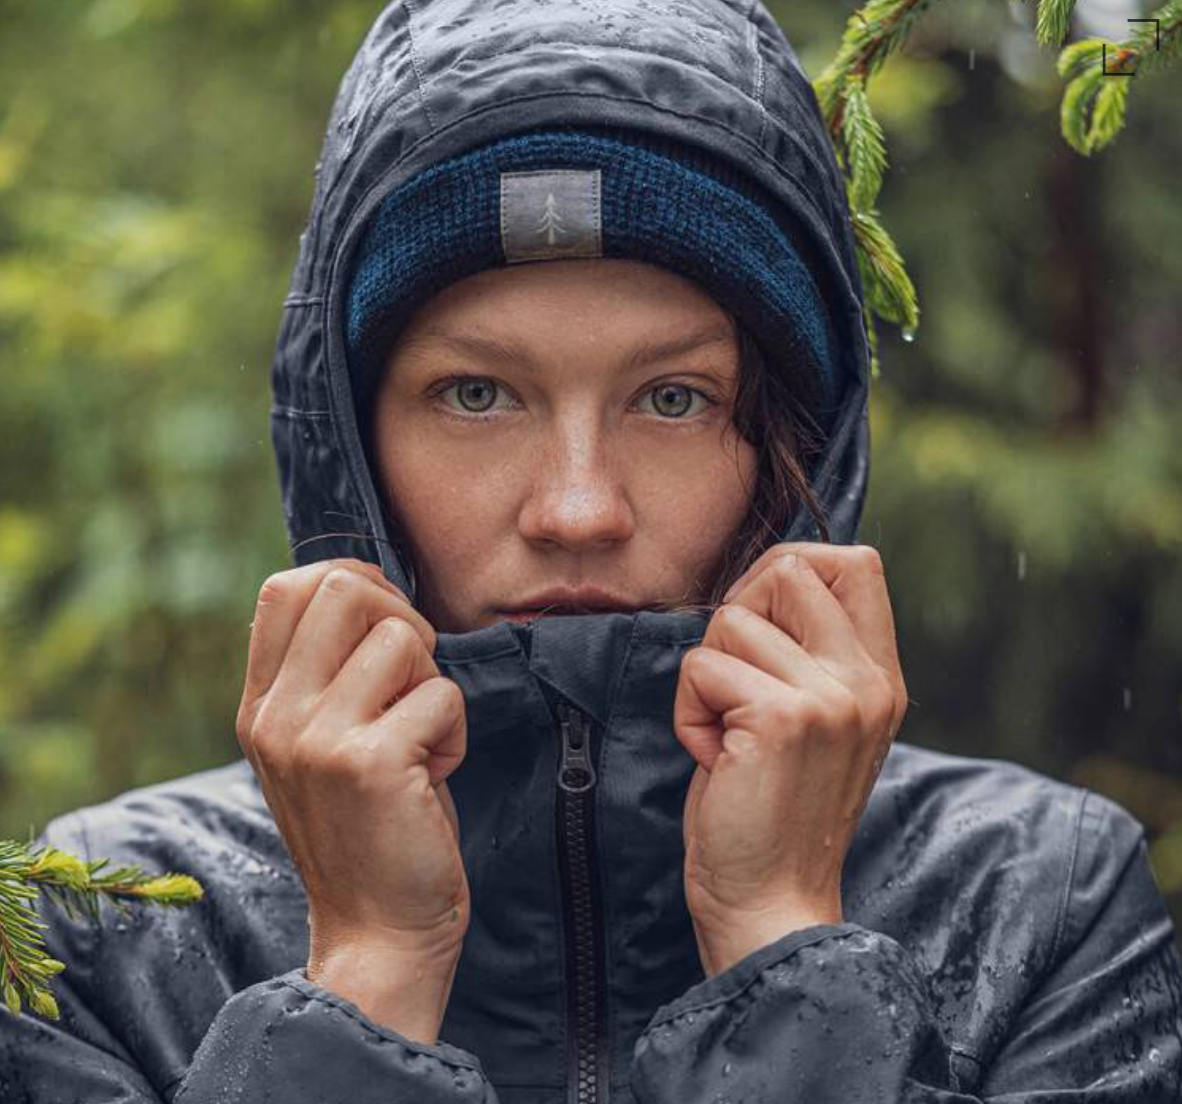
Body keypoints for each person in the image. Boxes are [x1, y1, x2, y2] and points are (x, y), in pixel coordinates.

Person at [4, 1, 1180, 1102]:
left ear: (795, 448)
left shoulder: (1043, 897)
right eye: (477, 393)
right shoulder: (101, 929)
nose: (578, 508)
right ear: (351, 446)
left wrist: (785, 942)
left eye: (673, 398)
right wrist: (367, 970)